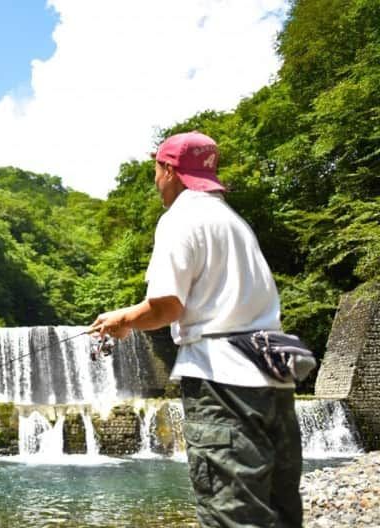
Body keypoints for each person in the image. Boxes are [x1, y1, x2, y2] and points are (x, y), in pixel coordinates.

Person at [90, 131, 302, 528]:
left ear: (169, 170)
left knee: (232, 512)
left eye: (156, 171)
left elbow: (167, 306)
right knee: (280, 509)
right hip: (275, 371)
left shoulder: (181, 219)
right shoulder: (234, 221)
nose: (156, 181)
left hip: (222, 379)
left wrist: (122, 320)